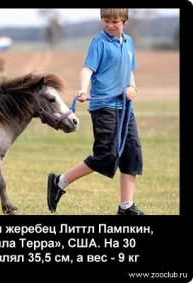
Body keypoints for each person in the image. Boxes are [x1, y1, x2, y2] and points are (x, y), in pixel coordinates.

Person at [47, 8, 145, 215]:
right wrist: (84, 89)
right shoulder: (99, 43)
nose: (110, 25)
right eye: (106, 21)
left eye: (115, 22)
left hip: (125, 108)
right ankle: (59, 182)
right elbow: (87, 69)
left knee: (132, 155)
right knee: (106, 155)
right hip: (104, 108)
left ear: (124, 22)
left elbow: (130, 72)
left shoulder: (128, 43)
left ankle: (126, 207)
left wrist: (132, 87)